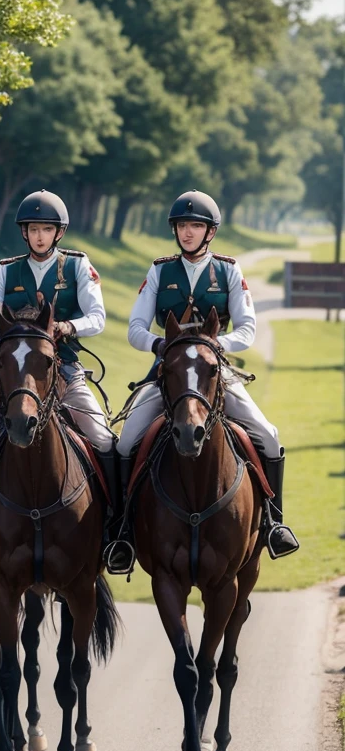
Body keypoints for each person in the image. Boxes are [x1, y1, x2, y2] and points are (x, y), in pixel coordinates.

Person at [110, 189, 299, 575]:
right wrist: (161, 344)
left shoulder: (229, 270)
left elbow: (246, 328)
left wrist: (213, 347)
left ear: (210, 231)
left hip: (215, 371)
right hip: (170, 372)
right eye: (182, 226)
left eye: (196, 226)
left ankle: (274, 523)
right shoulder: (160, 271)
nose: (188, 232)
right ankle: (122, 530)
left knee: (267, 435)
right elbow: (134, 329)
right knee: (126, 441)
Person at [0, 189, 123, 569]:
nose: (39, 236)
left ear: (58, 233)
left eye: (46, 229)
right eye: (33, 229)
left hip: (65, 370)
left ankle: (118, 529)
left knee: (104, 440)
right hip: (18, 376)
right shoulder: (6, 270)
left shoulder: (78, 267)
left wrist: (69, 325)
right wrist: (6, 347)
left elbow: (98, 317)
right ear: (25, 233)